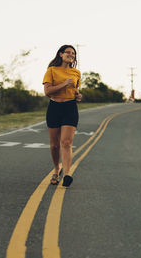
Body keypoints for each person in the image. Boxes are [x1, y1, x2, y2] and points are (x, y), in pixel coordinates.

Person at [42, 45, 82, 187]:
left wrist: (78, 96)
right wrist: (64, 84)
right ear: (60, 54)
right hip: (55, 107)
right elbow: (47, 92)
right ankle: (56, 168)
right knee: (54, 145)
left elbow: (76, 91)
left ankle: (66, 174)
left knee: (66, 143)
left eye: (73, 53)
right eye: (68, 52)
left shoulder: (76, 72)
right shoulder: (51, 70)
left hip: (70, 108)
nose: (71, 55)